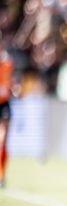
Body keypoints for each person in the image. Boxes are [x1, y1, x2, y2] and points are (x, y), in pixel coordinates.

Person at [0, 31, 16, 188]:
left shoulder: (7, 62)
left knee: (3, 140)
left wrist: (14, 89)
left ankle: (2, 174)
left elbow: (9, 83)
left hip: (4, 104)